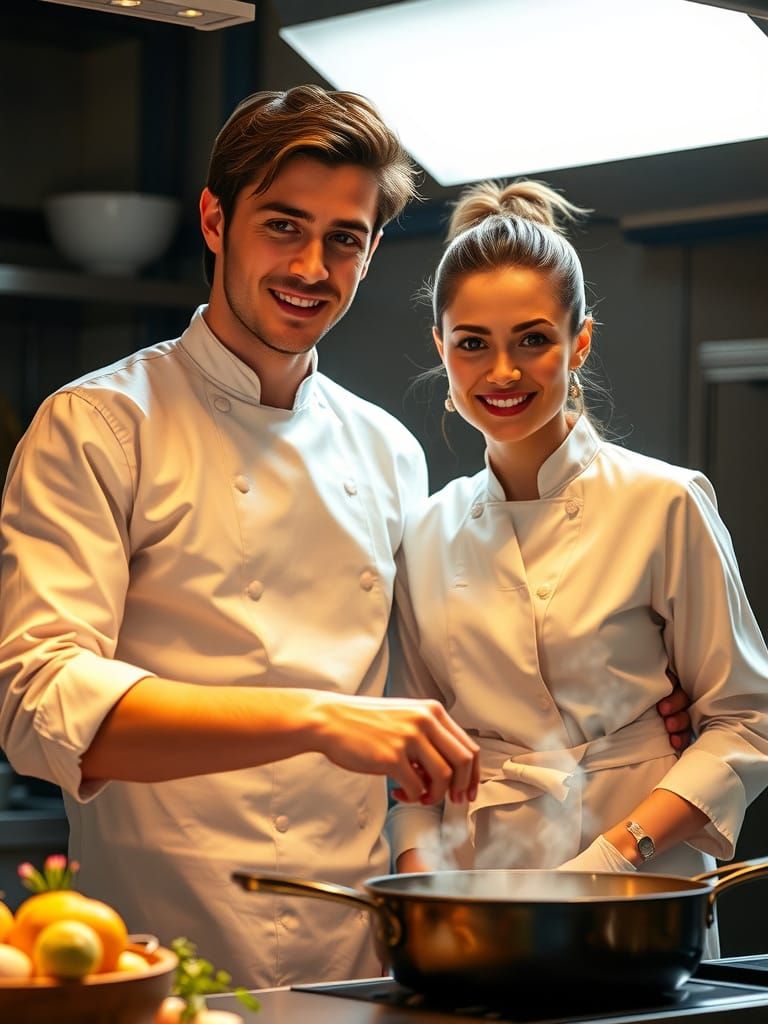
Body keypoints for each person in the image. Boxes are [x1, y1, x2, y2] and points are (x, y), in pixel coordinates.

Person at [0, 90, 689, 986]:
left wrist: (632, 704)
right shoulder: (99, 425)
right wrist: (320, 720)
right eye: (283, 226)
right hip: (165, 945)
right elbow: (40, 705)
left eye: (345, 238)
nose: (312, 265)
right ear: (216, 220)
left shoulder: (388, 450)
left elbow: (434, 674)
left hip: (364, 949)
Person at [388, 179, 768, 956]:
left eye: (533, 340)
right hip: (474, 895)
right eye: (473, 343)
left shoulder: (664, 502)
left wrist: (608, 863)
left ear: (581, 342)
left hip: (642, 883)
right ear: (441, 348)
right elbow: (415, 755)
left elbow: (747, 722)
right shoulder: (423, 531)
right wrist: (422, 883)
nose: (502, 372)